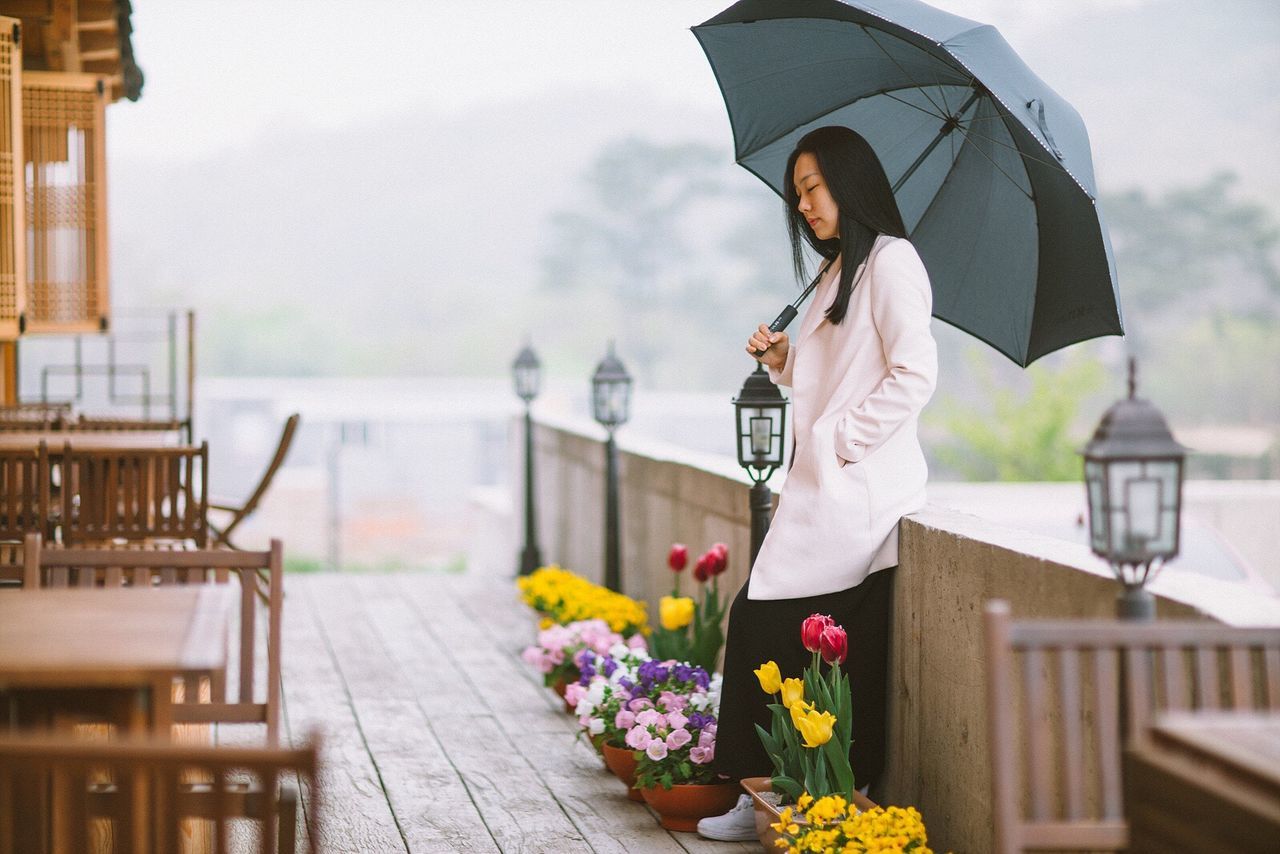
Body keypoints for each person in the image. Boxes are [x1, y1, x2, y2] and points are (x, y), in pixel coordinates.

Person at [697, 125, 937, 841]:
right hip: (824, 497)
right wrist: (783, 360)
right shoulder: (840, 272)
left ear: (850, 183)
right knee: (770, 631)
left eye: (812, 188)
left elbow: (914, 375)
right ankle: (765, 792)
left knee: (789, 633)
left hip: (858, 499)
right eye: (795, 194)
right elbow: (834, 377)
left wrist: (840, 443)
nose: (802, 205)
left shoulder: (894, 263)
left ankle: (807, 796)